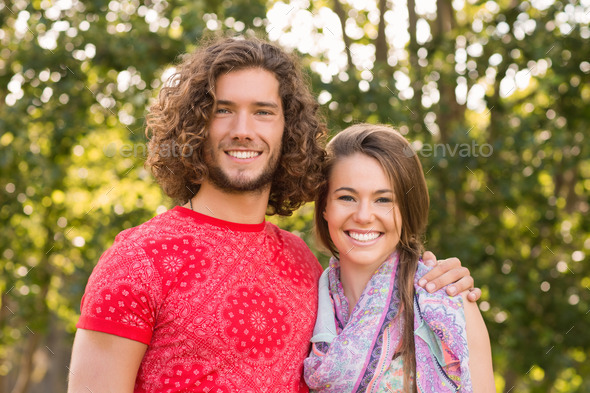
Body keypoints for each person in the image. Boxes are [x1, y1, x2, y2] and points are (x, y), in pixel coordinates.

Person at [68, 37, 481, 393]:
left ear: (289, 129)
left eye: (263, 111)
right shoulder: (139, 259)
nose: (243, 129)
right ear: (195, 124)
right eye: (223, 109)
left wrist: (438, 278)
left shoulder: (304, 264)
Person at [303, 123, 495, 392]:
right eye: (347, 197)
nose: (363, 216)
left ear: (407, 210)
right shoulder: (303, 304)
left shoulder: (450, 302)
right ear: (324, 207)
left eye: (383, 200)